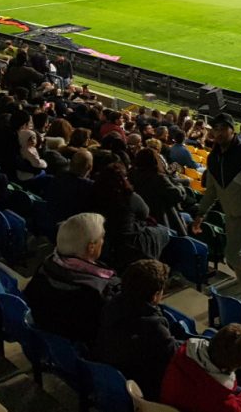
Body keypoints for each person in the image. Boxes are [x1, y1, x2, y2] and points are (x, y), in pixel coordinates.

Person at [191, 113, 241, 308]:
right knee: (235, 257)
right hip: (232, 214)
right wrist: (200, 214)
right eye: (215, 129)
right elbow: (211, 191)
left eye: (222, 129)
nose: (218, 133)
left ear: (231, 130)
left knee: (233, 255)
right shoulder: (213, 158)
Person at [23, 212, 120, 344]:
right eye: (102, 237)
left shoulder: (46, 265)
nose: (103, 241)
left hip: (49, 338)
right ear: (91, 247)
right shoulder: (97, 292)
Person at [94, 258, 180, 402]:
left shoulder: (111, 305)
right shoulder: (154, 327)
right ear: (155, 295)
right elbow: (174, 353)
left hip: (116, 376)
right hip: (144, 387)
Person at [159, 323, 241, 412]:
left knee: (238, 390)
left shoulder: (182, 354)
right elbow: (236, 409)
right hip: (200, 401)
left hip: (175, 402)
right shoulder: (220, 401)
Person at [91, 161, 171, 269]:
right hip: (128, 241)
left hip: (107, 238)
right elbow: (145, 212)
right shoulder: (129, 196)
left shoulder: (94, 192)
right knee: (165, 232)